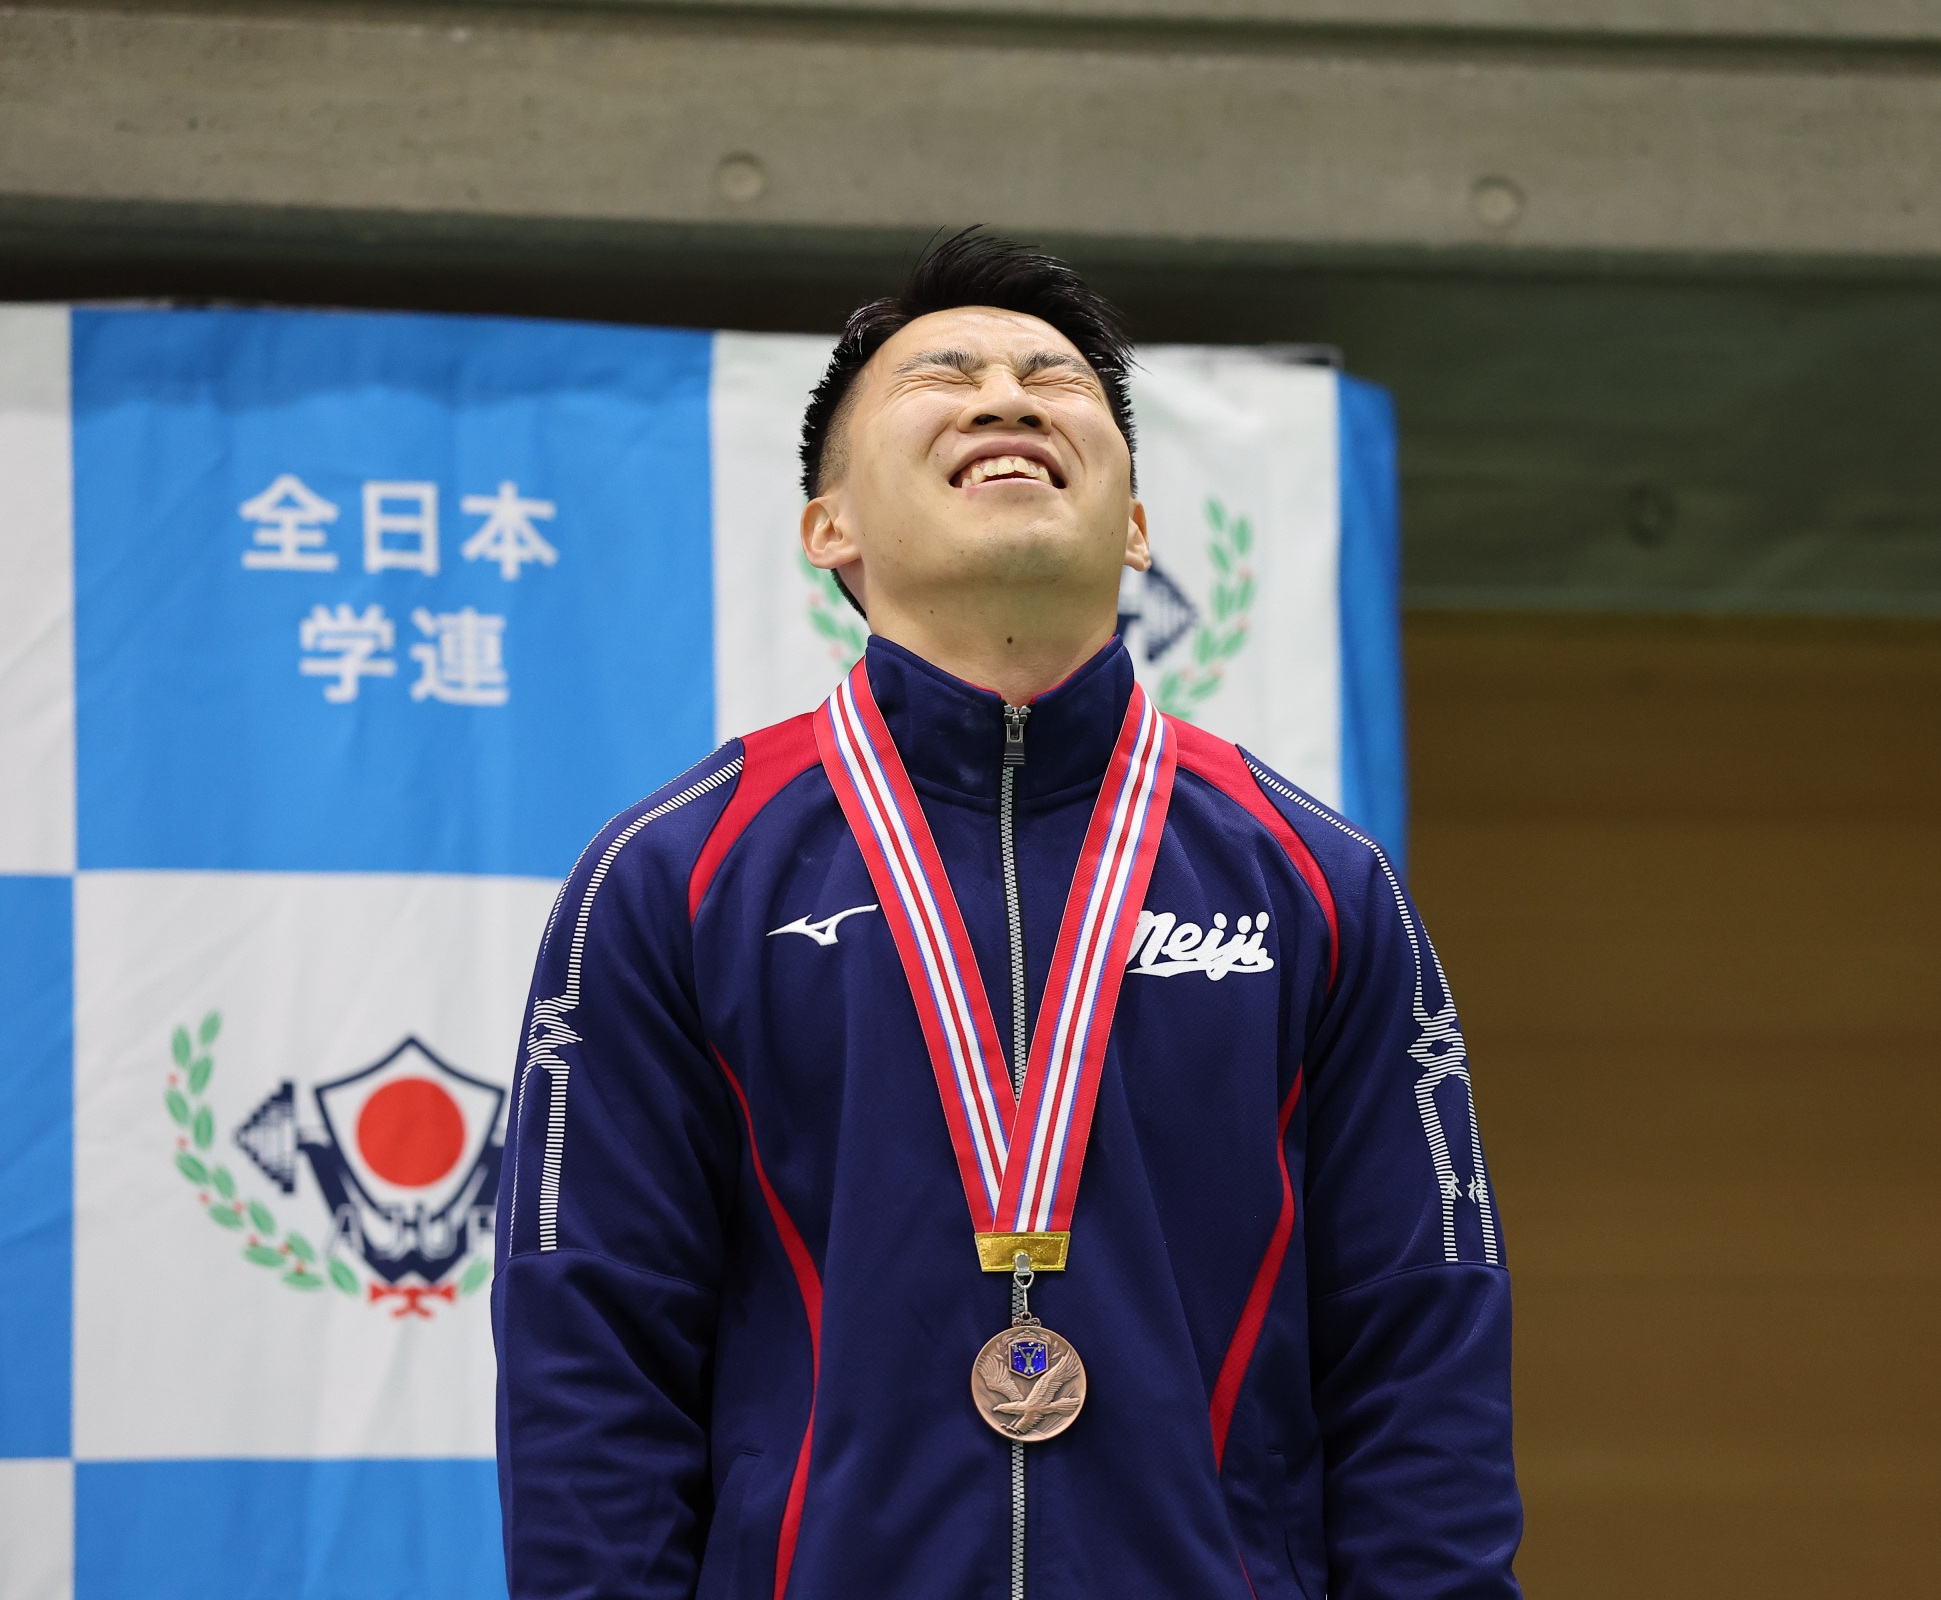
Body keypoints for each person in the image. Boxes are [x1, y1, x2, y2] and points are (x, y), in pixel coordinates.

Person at [492, 231, 1521, 1600]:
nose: (1006, 397)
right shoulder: (675, 873)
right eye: (943, 376)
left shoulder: (1314, 880)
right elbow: (592, 1343)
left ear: (1136, 524)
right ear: (829, 527)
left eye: (1054, 379)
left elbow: (1419, 1337)